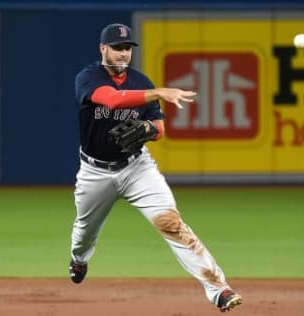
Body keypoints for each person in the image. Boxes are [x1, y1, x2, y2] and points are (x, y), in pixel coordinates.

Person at [69, 23, 243, 312]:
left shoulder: (142, 82)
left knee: (172, 225)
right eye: (117, 47)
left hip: (137, 168)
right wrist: (160, 92)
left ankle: (219, 290)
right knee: (84, 231)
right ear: (103, 49)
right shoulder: (88, 77)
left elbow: (159, 129)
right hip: (95, 172)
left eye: (127, 48)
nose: (123, 53)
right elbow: (110, 99)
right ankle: (79, 260)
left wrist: (148, 128)